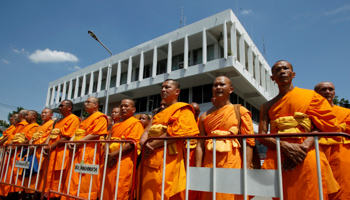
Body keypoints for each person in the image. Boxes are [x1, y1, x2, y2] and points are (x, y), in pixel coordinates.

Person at [259, 60, 340, 199]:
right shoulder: (266, 106)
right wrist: (285, 147)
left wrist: (302, 148)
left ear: (293, 74)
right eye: (278, 70)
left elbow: (323, 126)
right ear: (273, 78)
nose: (282, 71)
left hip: (307, 154)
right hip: (280, 156)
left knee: (312, 192)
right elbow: (261, 136)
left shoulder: (311, 97)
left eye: (286, 68)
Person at [195, 76, 255, 200]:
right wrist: (198, 168)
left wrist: (247, 168)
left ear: (231, 89)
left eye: (222, 85)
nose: (218, 87)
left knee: (230, 194)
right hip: (210, 161)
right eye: (215, 85)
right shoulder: (204, 116)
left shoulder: (241, 111)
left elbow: (249, 142)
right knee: (210, 194)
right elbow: (200, 144)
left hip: (232, 161)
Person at [139, 79, 199, 199]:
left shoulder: (184, 108)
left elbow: (177, 133)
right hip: (150, 157)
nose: (163, 90)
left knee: (166, 191)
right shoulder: (158, 113)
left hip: (169, 159)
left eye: (167, 87)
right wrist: (142, 142)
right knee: (148, 191)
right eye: (162, 87)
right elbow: (146, 131)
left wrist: (149, 145)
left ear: (177, 91)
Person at [62, 97, 107, 200]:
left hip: (90, 151)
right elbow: (78, 132)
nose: (85, 104)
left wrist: (77, 143)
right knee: (73, 178)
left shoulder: (101, 117)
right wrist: (71, 141)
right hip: (78, 150)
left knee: (86, 179)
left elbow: (95, 134)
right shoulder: (86, 119)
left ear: (96, 105)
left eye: (88, 102)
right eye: (85, 102)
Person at [101, 99, 144, 200]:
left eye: (126, 106)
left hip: (124, 160)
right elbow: (107, 141)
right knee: (107, 187)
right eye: (121, 106)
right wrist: (107, 155)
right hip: (109, 160)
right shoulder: (115, 126)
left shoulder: (136, 123)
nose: (123, 108)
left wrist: (112, 155)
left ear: (133, 110)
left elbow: (131, 144)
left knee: (120, 187)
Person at [315, 81, 350, 200]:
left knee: (343, 187)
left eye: (330, 89)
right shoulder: (310, 112)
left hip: (341, 153)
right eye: (323, 89)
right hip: (318, 153)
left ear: (334, 93)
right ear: (316, 93)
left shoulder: (346, 112)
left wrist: (322, 128)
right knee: (319, 187)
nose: (327, 92)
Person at [43, 100, 80, 199]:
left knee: (59, 177)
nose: (59, 107)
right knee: (50, 175)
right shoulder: (58, 121)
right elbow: (51, 134)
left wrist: (51, 146)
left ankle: (57, 195)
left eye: (62, 105)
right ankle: (48, 194)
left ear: (69, 108)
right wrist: (46, 146)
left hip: (62, 152)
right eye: (59, 106)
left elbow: (67, 137)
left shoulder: (74, 119)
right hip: (53, 151)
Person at [28, 108, 54, 198]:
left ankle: (39, 194)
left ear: (51, 115)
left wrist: (36, 144)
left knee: (42, 174)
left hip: (42, 151)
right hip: (35, 152)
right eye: (42, 113)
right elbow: (33, 136)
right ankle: (33, 193)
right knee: (34, 174)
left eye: (45, 113)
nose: (43, 114)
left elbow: (47, 136)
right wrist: (31, 143)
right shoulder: (39, 126)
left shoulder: (51, 124)